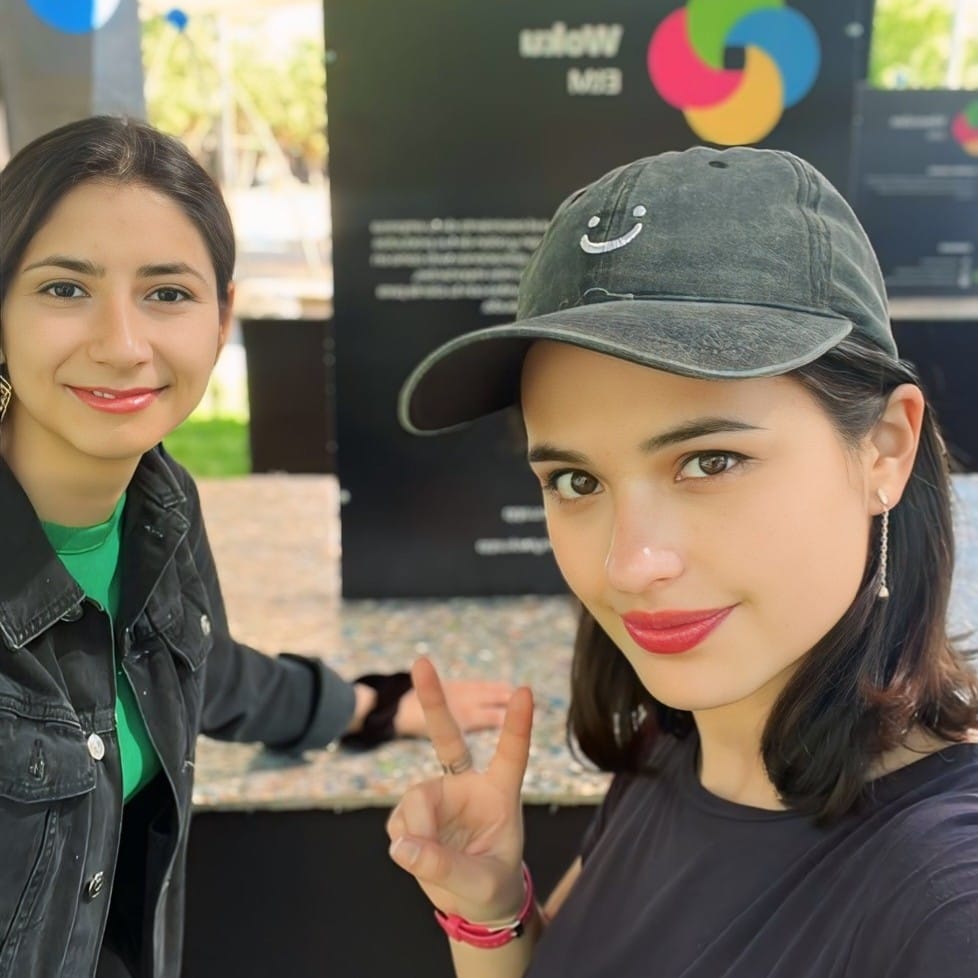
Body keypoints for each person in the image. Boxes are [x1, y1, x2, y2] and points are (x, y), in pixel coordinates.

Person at [388, 146, 978, 977]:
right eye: (576, 481)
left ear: (885, 447)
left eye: (710, 461)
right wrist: (490, 916)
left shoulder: (944, 907)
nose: (631, 564)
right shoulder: (680, 739)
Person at [0, 115, 513, 978]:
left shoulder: (161, 505)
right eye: (64, 288)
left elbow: (205, 671)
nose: (122, 345)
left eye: (168, 293)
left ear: (222, 317)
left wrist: (368, 706)